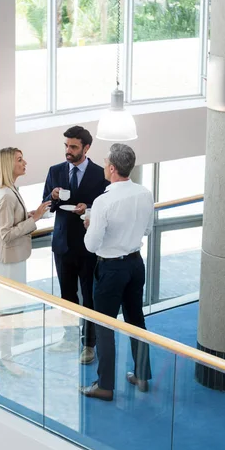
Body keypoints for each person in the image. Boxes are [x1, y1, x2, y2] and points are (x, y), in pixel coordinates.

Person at [80, 143, 154, 401]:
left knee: (104, 326)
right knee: (137, 321)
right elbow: (147, 231)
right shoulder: (145, 193)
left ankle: (105, 386)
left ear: (112, 168)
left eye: (104, 162)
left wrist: (90, 224)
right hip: (135, 264)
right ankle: (142, 376)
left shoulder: (103, 201)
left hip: (111, 269)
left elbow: (91, 245)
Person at [43, 126, 108, 364]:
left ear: (86, 148)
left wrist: (87, 209)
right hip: (62, 245)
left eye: (73, 147)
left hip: (88, 247)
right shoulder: (55, 171)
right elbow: (46, 204)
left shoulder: (100, 175)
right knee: (66, 295)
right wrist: (53, 197)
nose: (68, 151)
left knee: (89, 298)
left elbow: (104, 210)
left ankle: (89, 344)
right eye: (66, 146)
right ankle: (69, 338)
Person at [0, 147, 50, 375]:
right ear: (8, 165)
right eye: (20, 160)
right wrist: (35, 220)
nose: (25, 163)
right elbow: (6, 233)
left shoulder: (5, 190)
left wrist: (31, 215)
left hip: (6, 260)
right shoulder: (6, 195)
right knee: (7, 311)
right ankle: (6, 358)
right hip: (9, 262)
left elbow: (9, 225)